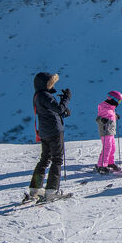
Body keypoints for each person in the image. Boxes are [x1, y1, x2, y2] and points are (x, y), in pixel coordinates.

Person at [28, 72, 72, 202]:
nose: (52, 85)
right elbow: (58, 108)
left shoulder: (38, 95)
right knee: (57, 159)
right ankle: (51, 191)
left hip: (44, 131)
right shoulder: (45, 96)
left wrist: (62, 112)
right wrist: (66, 99)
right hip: (54, 131)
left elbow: (50, 111)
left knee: (45, 159)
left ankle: (35, 189)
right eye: (50, 83)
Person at [95, 91, 122, 174]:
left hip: (111, 131)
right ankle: (101, 166)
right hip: (105, 130)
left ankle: (110, 162)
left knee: (112, 148)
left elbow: (109, 115)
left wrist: (115, 116)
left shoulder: (111, 107)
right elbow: (98, 119)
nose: (119, 103)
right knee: (107, 148)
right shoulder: (104, 107)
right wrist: (102, 120)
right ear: (113, 99)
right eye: (119, 101)